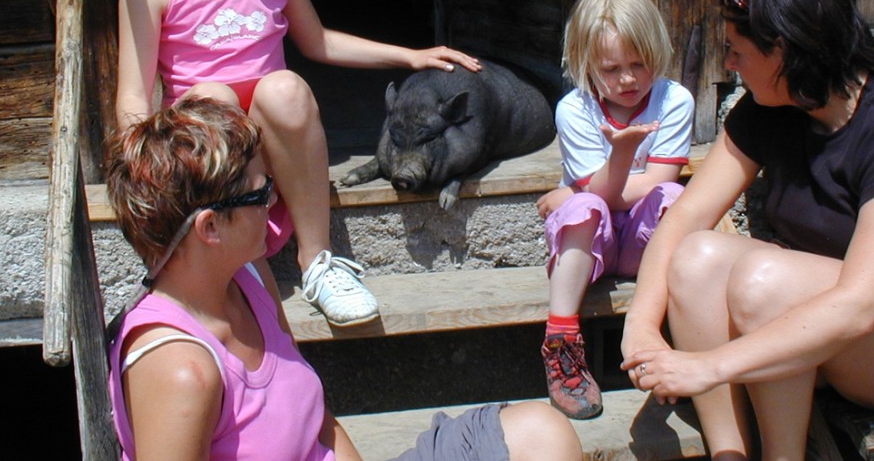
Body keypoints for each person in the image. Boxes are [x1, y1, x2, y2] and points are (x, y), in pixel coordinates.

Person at [115, 0, 482, 327]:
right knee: (213, 94)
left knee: (284, 87)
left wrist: (410, 55)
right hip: (204, 155)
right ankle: (237, 260)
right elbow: (133, 92)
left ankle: (319, 260)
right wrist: (144, 179)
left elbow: (319, 42)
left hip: (272, 146)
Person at [619, 0, 874, 459]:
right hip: (851, 328)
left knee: (766, 279)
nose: (728, 64)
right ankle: (730, 453)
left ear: (782, 50)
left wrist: (709, 365)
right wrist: (642, 328)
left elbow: (860, 305)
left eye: (737, 50)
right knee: (699, 257)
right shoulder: (774, 107)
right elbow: (687, 218)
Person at [105, 96, 583, 461]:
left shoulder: (249, 278)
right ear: (210, 227)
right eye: (261, 193)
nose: (275, 202)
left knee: (543, 432)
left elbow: (319, 421)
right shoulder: (179, 370)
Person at [535, 0, 695, 419]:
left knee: (672, 196)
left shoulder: (673, 99)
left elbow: (661, 179)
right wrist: (612, 166)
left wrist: (580, 184)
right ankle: (561, 341)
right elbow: (602, 198)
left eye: (639, 64)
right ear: (586, 64)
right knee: (585, 208)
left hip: (645, 243)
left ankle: (673, 339)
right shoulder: (575, 109)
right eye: (610, 69)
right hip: (594, 247)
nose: (627, 79)